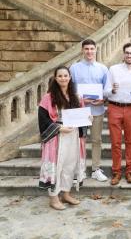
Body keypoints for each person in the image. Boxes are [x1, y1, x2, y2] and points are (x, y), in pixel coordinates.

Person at [38, 66, 88, 210]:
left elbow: (81, 116)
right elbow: (43, 119)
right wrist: (60, 128)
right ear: (55, 78)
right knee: (57, 166)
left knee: (70, 164)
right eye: (60, 76)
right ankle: (54, 198)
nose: (63, 78)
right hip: (57, 135)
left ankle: (66, 194)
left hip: (73, 135)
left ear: (70, 77)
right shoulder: (49, 98)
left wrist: (87, 117)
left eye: (65, 75)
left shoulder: (76, 96)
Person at [104, 43, 131, 185]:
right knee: (115, 142)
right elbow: (105, 91)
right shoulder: (113, 70)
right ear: (123, 54)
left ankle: (130, 171)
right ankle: (116, 172)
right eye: (127, 52)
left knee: (130, 141)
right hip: (115, 107)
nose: (129, 55)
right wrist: (112, 91)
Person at [70, 39, 109, 182]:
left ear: (96, 50)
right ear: (82, 50)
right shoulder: (74, 68)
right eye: (86, 49)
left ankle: (95, 169)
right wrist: (79, 100)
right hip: (80, 110)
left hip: (97, 110)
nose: (89, 51)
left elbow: (107, 89)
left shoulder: (103, 68)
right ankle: (80, 170)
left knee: (96, 140)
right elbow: (69, 89)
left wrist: (103, 99)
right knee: (79, 140)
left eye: (92, 49)